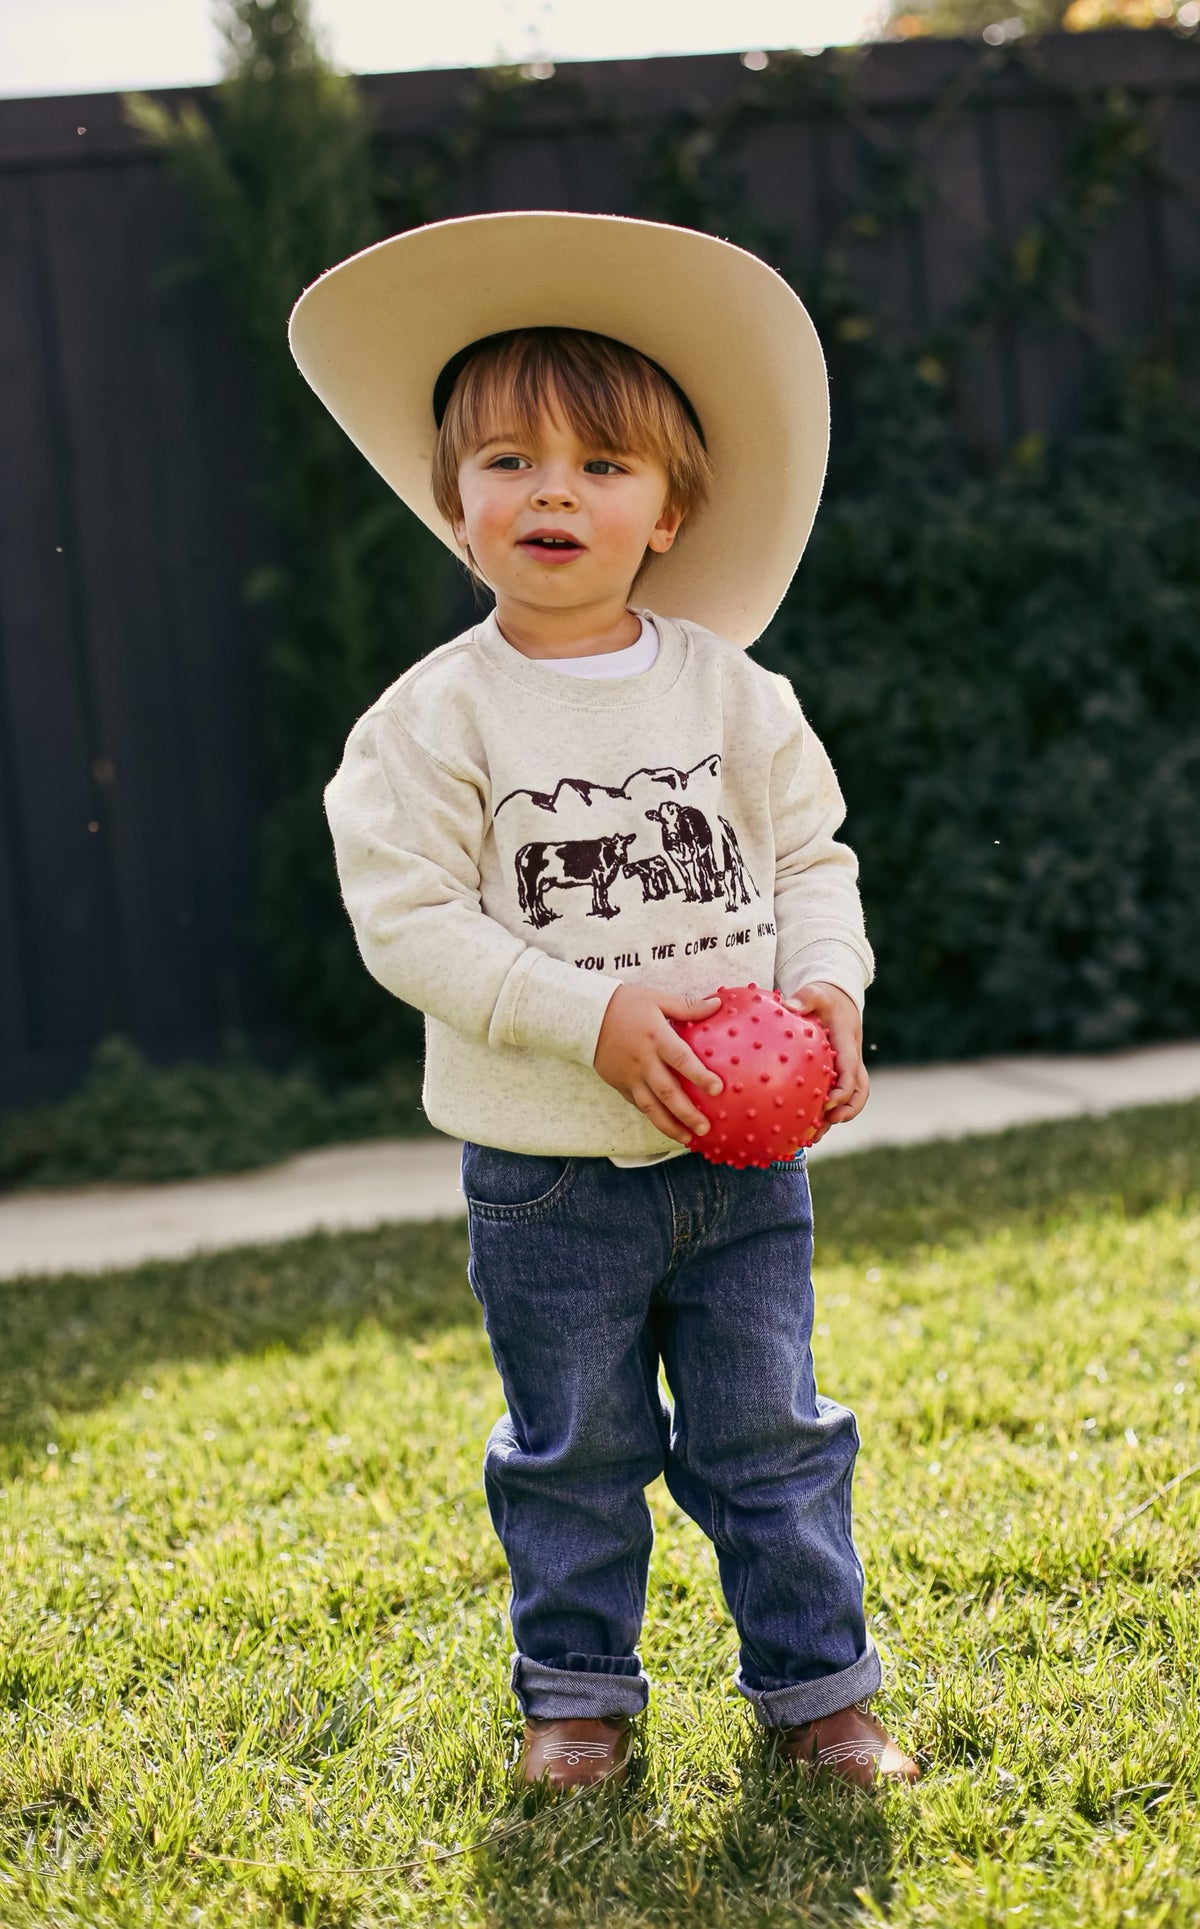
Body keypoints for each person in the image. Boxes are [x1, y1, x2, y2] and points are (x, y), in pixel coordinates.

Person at [292, 211, 919, 1793]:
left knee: (770, 1436)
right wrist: (588, 1016)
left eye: (599, 464)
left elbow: (811, 859)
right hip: (550, 1177)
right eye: (506, 460)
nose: (551, 489)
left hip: (742, 1163)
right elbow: (409, 922)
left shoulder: (731, 690)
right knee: (575, 1450)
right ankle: (577, 1694)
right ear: (454, 503)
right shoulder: (431, 720)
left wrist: (828, 992)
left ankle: (819, 1690)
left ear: (671, 505)